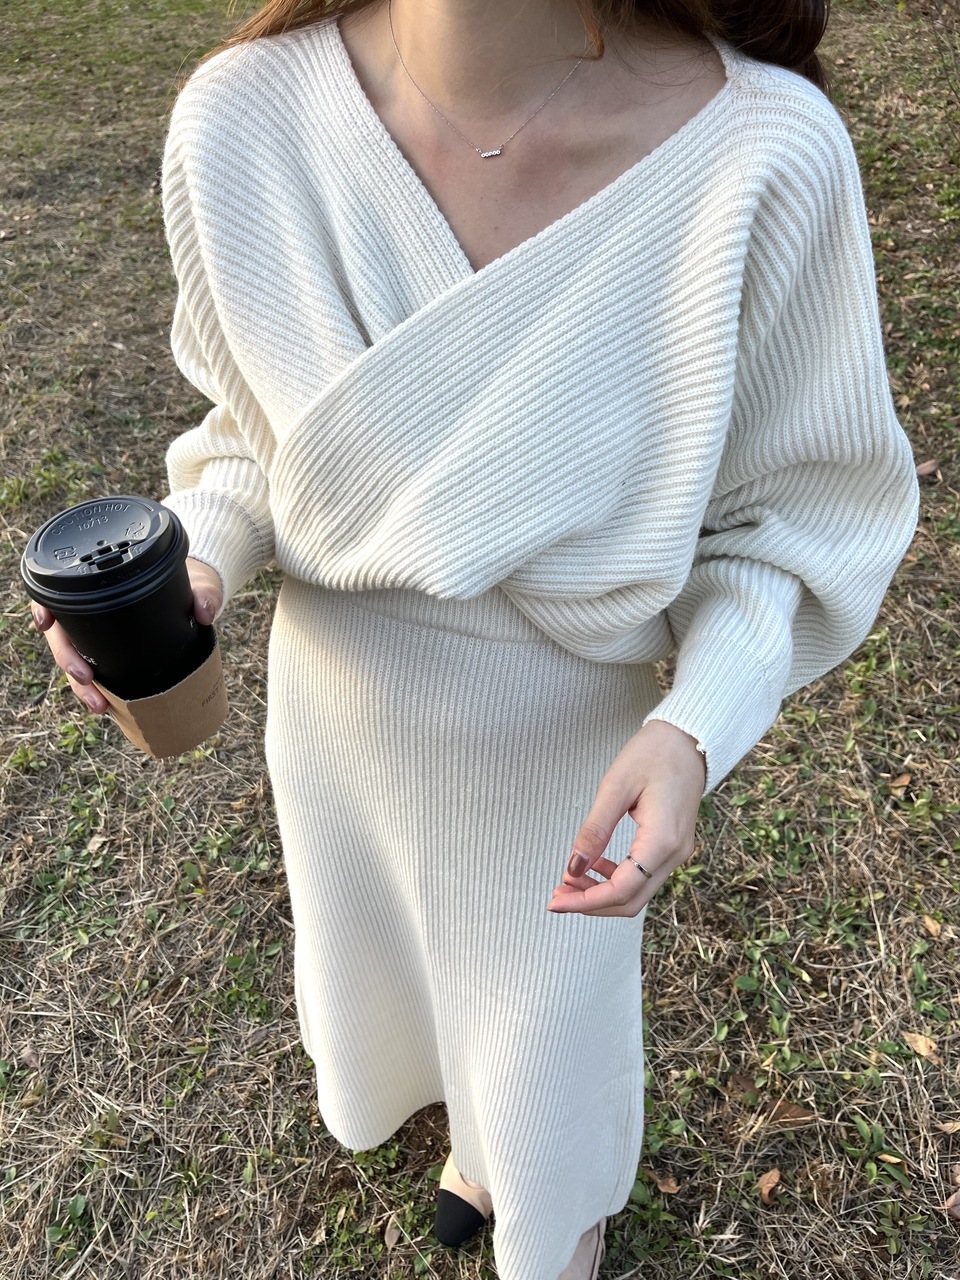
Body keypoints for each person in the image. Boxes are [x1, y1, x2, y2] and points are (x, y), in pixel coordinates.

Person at [35, 0, 920, 1275]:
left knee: (549, 1042)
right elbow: (250, 432)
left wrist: (694, 724)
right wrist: (196, 557)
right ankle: (471, 1138)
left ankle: (557, 1205)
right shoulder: (240, 119)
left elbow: (791, 523)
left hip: (560, 752)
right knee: (400, 977)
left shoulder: (765, 153)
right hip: (340, 721)